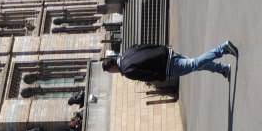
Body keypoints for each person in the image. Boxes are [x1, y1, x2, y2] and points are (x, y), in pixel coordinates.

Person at [102, 40, 238, 81]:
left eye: (111, 72)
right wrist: (163, 48)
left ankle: (223, 48)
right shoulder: (127, 51)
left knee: (194, 64)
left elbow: (146, 76)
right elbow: (145, 45)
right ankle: (223, 69)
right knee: (195, 65)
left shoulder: (126, 71)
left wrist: (161, 77)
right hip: (166, 53)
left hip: (166, 67)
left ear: (112, 68)